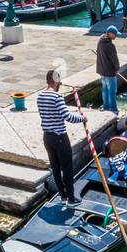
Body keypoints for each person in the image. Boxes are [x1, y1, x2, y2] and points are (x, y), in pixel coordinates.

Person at [37, 69, 85, 207]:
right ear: (55, 81)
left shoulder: (40, 96)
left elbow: (46, 114)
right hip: (60, 138)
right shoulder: (56, 97)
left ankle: (62, 196)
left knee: (56, 168)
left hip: (47, 137)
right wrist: (82, 118)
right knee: (67, 168)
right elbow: (68, 117)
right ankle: (71, 198)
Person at [96, 25, 121, 113]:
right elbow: (115, 59)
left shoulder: (100, 41)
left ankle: (106, 107)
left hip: (102, 71)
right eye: (115, 34)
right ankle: (113, 109)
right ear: (109, 34)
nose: (116, 36)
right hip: (110, 72)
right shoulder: (110, 45)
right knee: (112, 91)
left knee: (105, 90)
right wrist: (117, 68)